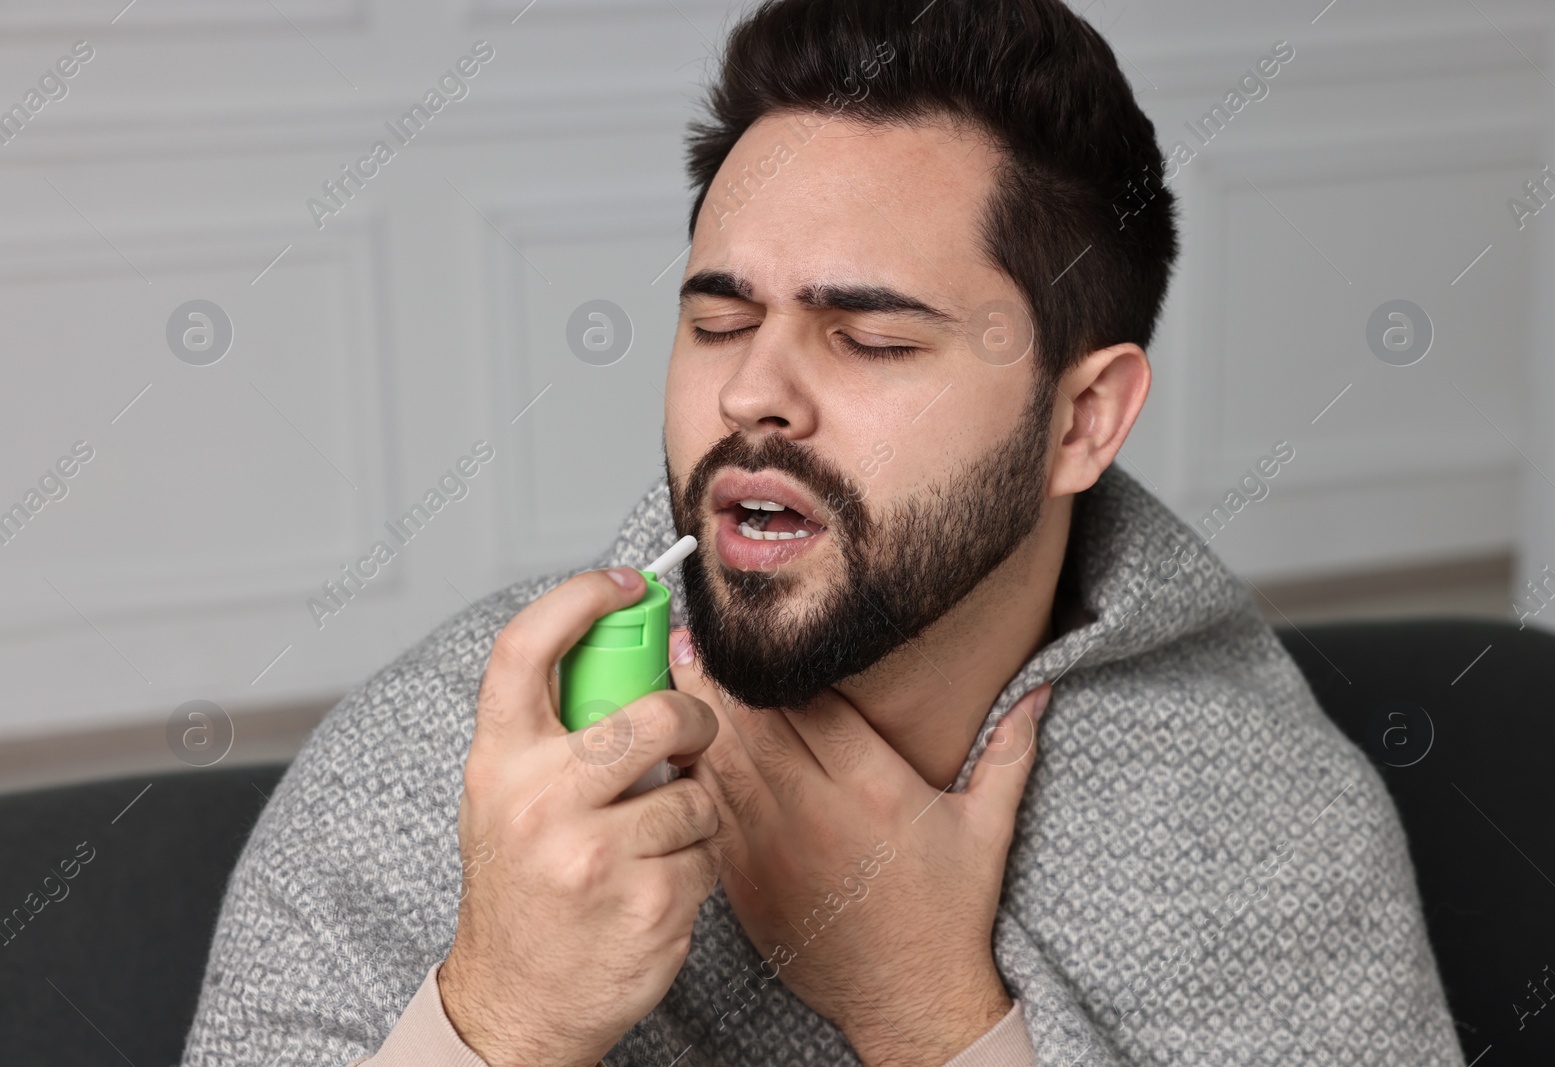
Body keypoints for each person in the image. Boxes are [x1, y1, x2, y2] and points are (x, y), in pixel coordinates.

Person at [181, 0, 1465, 1063]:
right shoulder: (438, 759)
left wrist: (926, 1010)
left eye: (873, 337)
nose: (752, 394)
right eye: (721, 322)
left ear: (1083, 419)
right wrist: (504, 1013)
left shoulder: (1267, 831)